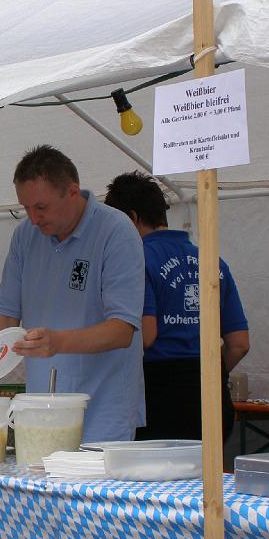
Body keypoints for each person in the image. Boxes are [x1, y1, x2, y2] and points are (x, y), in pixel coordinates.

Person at [0, 145, 146, 442]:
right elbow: (5, 314)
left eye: (41, 207)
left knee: (93, 489)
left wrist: (57, 342)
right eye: (26, 208)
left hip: (103, 413)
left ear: (72, 192)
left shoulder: (116, 231)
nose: (33, 218)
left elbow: (122, 330)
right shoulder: (25, 236)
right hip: (40, 410)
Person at [104, 171, 249, 441]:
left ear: (131, 218)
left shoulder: (138, 258)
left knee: (153, 482)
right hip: (213, 393)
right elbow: (239, 343)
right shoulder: (213, 261)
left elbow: (146, 335)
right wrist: (212, 376)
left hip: (160, 395)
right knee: (205, 482)